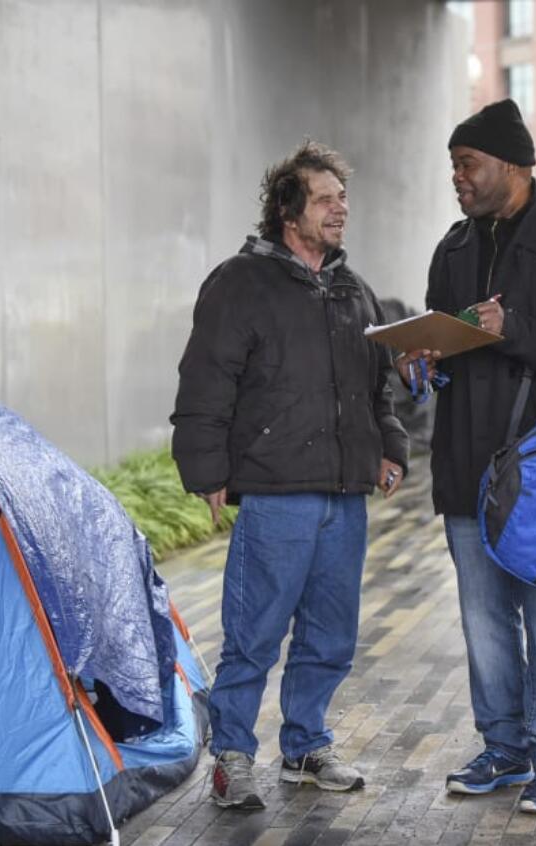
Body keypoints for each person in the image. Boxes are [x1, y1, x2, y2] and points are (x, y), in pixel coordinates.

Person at [171, 142, 408, 811]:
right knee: (254, 634)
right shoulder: (238, 283)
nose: (341, 211)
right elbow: (205, 380)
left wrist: (387, 446)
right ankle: (234, 757)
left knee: (332, 634)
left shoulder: (352, 288)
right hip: (276, 492)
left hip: (344, 493)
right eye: (326, 199)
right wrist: (206, 469)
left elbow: (376, 385)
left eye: (343, 198)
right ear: (287, 209)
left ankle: (305, 745)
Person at [397, 98, 536, 815]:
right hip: (466, 468)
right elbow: (439, 344)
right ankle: (505, 747)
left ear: (513, 166)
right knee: (486, 625)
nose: (456, 178)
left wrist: (513, 327)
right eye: (453, 166)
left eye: (468, 165)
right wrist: (423, 361)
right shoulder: (452, 250)